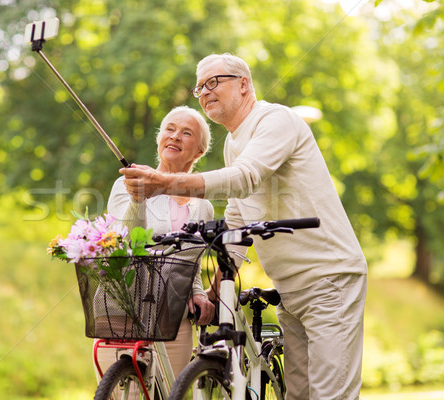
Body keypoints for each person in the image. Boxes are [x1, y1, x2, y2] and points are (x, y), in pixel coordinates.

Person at [120, 53, 368, 400]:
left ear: (243, 84)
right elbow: (237, 218)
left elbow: (246, 177)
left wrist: (165, 183)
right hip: (289, 288)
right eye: (199, 87)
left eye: (213, 82)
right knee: (298, 394)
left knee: (331, 395)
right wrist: (217, 285)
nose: (204, 92)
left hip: (328, 278)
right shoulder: (235, 144)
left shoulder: (275, 119)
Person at [96, 105, 216, 381]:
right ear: (159, 138)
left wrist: (197, 291)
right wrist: (139, 198)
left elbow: (191, 263)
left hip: (174, 320)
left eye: (186, 133)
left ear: (198, 151)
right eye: (169, 129)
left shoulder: (204, 206)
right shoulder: (125, 184)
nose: (174, 136)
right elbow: (123, 245)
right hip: (123, 310)